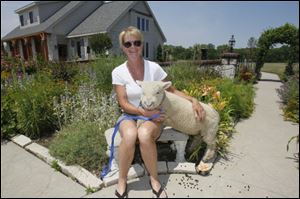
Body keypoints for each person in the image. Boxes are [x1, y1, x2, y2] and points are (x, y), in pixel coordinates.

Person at [111, 26, 205, 198]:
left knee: (145, 135)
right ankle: (122, 180)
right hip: (130, 114)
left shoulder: (153, 68)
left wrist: (193, 100)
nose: (133, 47)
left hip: (153, 115)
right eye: (128, 43)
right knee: (131, 135)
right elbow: (123, 103)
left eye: (137, 43)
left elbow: (173, 91)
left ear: (142, 44)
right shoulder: (118, 72)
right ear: (123, 47)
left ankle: (154, 179)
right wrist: (142, 112)